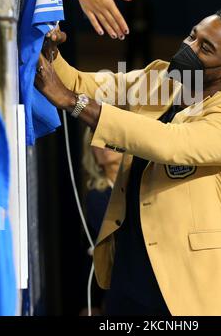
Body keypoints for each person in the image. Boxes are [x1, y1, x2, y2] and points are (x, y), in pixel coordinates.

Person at [35, 4, 221, 316]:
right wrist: (48, 51)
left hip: (190, 282)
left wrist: (73, 104)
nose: (188, 47)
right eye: (192, 36)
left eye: (205, 48)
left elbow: (169, 143)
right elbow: (83, 85)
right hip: (130, 270)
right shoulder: (159, 78)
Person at [79, 129, 122, 316]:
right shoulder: (96, 197)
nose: (105, 146)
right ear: (91, 153)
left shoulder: (143, 184)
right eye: (97, 140)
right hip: (116, 288)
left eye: (110, 136)